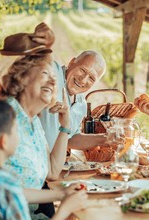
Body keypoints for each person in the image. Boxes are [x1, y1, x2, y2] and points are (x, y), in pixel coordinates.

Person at [0, 54, 102, 220]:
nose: (52, 85)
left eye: (54, 81)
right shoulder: (5, 118)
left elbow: (53, 172)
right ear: (24, 81)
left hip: (29, 216)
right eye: (44, 77)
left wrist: (65, 125)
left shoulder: (34, 123)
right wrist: (63, 207)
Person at [33, 22, 108, 152]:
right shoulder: (54, 73)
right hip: (30, 158)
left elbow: (70, 138)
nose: (83, 80)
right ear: (72, 62)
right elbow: (40, 63)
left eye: (91, 78)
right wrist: (44, 46)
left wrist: (105, 138)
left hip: (51, 165)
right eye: (82, 70)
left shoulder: (81, 103)